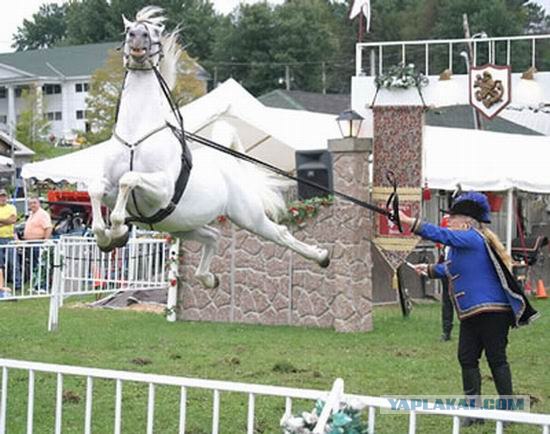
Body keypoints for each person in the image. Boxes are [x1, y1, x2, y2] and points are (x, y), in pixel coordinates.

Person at [399, 191, 538, 427]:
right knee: (466, 358)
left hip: (492, 312)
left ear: (465, 222)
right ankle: (475, 414)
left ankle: (509, 414)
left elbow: (440, 234)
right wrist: (430, 269)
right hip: (472, 313)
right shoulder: (463, 244)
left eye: (452, 218)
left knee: (497, 360)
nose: (448, 222)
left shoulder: (471, 237)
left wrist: (409, 222)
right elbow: (452, 268)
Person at [24, 197, 53, 278]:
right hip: (30, 243)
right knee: (33, 263)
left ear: (39, 203)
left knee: (39, 264)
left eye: (34, 203)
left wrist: (45, 241)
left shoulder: (42, 214)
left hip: (38, 242)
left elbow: (48, 227)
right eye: (30, 203)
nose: (32, 205)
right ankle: (35, 281)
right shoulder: (32, 214)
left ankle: (41, 283)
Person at [0, 188, 20, 291]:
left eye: (4, 196)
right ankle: (1, 285)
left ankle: (17, 283)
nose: (2, 198)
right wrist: (7, 220)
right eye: (0, 196)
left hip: (9, 238)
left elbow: (13, 220)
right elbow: (10, 220)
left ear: (7, 197)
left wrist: (2, 221)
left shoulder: (12, 207)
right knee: (0, 264)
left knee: (13, 262)